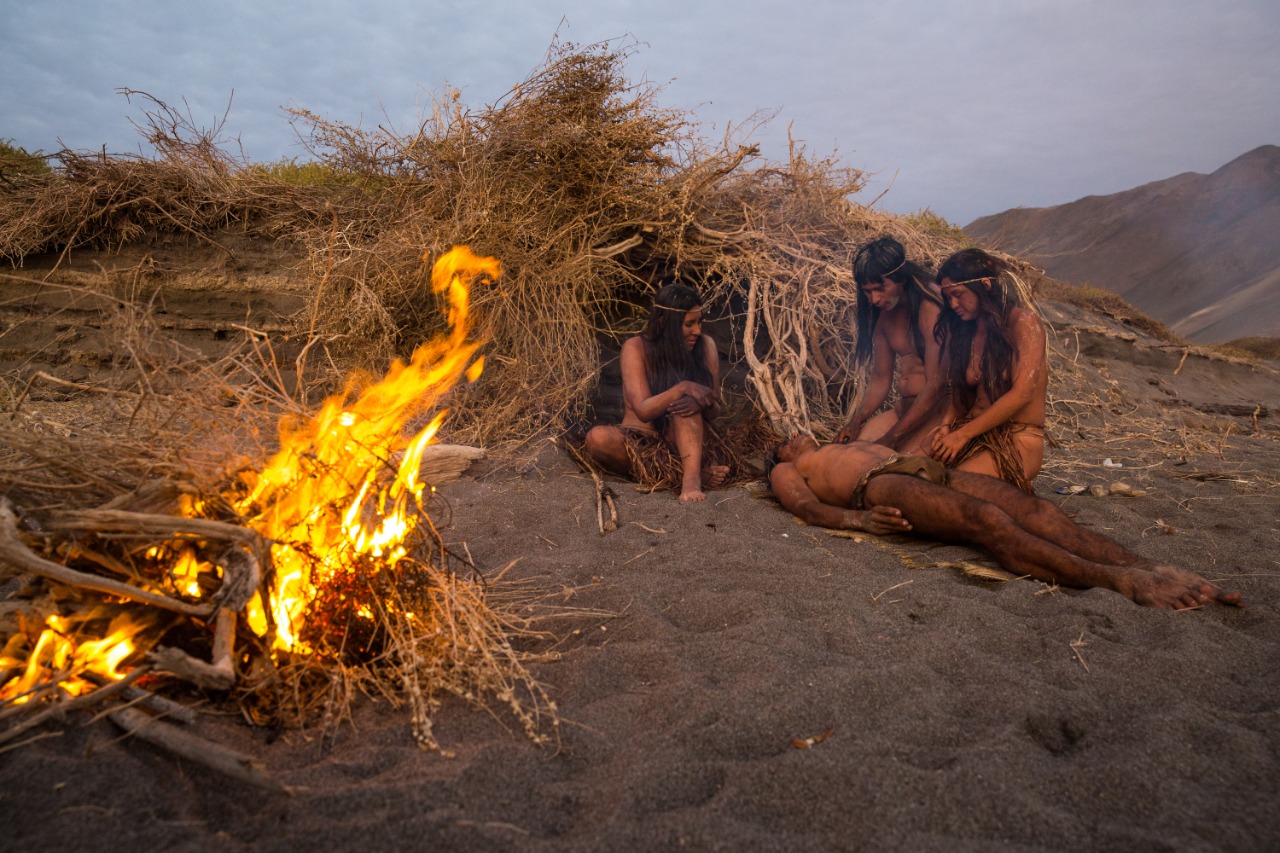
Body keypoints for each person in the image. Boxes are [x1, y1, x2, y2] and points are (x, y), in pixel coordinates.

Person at [765, 433, 1242, 610]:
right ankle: (1120, 581)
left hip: (931, 472)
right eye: (784, 439)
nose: (793, 434)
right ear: (779, 456)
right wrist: (861, 521)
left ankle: (1151, 566)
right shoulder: (788, 470)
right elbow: (806, 510)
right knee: (987, 520)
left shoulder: (842, 439)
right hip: (880, 486)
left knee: (1037, 510)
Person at [584, 283, 730, 502]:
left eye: (700, 322)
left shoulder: (705, 345)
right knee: (597, 438)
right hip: (641, 445)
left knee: (684, 407)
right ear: (664, 323)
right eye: (688, 324)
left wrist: (701, 403)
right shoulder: (636, 347)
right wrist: (683, 387)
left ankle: (691, 482)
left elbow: (715, 409)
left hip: (685, 443)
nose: (697, 331)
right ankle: (687, 474)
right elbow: (643, 410)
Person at [930, 248, 1048, 492]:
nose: (953, 304)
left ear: (984, 285)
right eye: (948, 297)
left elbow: (1022, 393)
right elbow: (961, 393)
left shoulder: (1023, 323)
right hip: (973, 436)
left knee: (949, 490)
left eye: (958, 295)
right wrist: (946, 424)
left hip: (1016, 439)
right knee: (908, 476)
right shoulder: (968, 331)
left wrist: (962, 435)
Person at [835, 237, 946, 454]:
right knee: (850, 454)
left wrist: (892, 438)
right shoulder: (884, 319)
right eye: (867, 291)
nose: (874, 299)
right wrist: (855, 422)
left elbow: (936, 385)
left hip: (936, 413)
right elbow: (880, 379)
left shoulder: (929, 309)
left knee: (885, 465)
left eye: (879, 288)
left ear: (900, 279)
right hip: (903, 411)